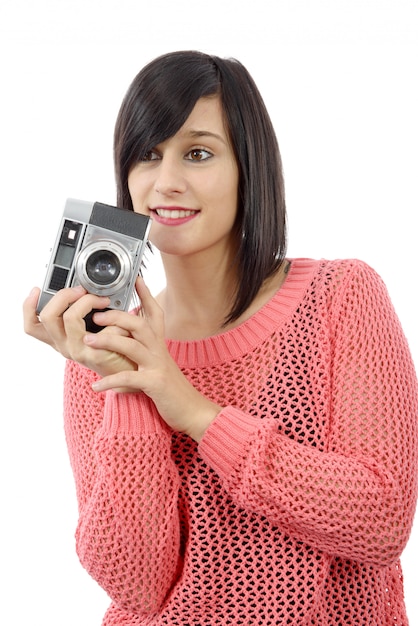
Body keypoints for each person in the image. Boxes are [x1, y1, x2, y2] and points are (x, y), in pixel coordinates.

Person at [23, 50, 418, 625]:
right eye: (147, 155)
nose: (166, 182)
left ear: (247, 168)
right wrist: (127, 382)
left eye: (199, 153)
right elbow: (136, 584)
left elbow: (380, 519)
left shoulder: (341, 296)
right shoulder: (101, 350)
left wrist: (195, 414)